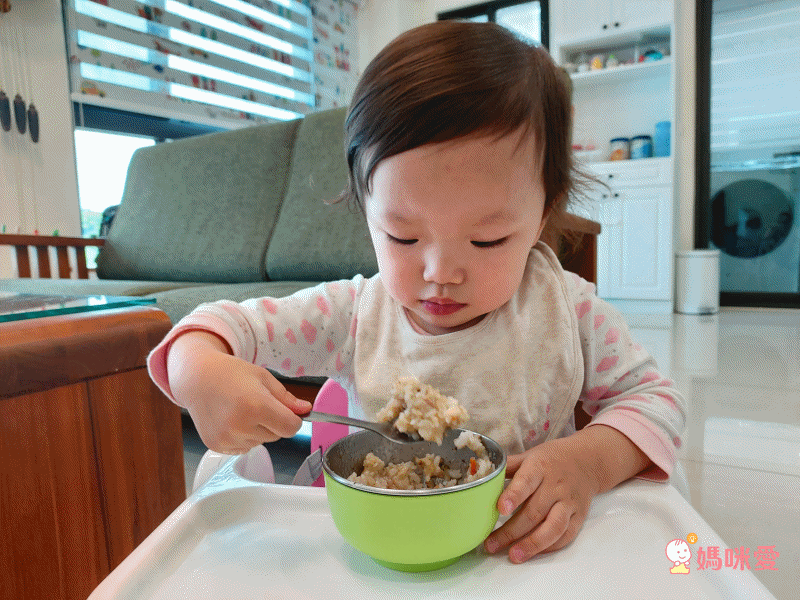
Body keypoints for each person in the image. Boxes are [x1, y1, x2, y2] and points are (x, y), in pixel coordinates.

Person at [148, 21, 686, 565]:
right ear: (367, 211)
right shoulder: (351, 315)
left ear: (542, 214)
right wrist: (199, 368)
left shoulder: (567, 312)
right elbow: (228, 324)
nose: (440, 272)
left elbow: (656, 402)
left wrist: (587, 463)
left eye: (487, 240)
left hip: (519, 554)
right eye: (403, 237)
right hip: (384, 549)